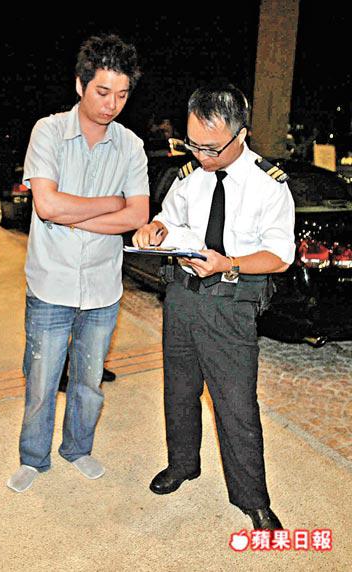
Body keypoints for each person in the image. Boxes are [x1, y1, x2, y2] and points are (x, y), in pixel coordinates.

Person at [133, 83, 295, 530]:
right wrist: (155, 230)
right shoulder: (190, 176)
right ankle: (183, 464)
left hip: (230, 305)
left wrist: (229, 264)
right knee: (179, 391)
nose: (201, 155)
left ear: (240, 134)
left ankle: (252, 498)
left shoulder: (268, 186)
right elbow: (169, 218)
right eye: (193, 144)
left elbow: (280, 256)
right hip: (182, 297)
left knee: (236, 405)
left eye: (211, 147)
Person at [7, 34, 150, 493]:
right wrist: (109, 203)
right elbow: (46, 206)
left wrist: (76, 215)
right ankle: (33, 458)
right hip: (51, 283)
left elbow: (138, 215)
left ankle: (78, 449)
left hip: (103, 288)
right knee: (41, 382)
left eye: (122, 95)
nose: (112, 105)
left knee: (89, 382)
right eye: (102, 92)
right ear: (79, 85)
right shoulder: (48, 132)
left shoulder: (131, 146)